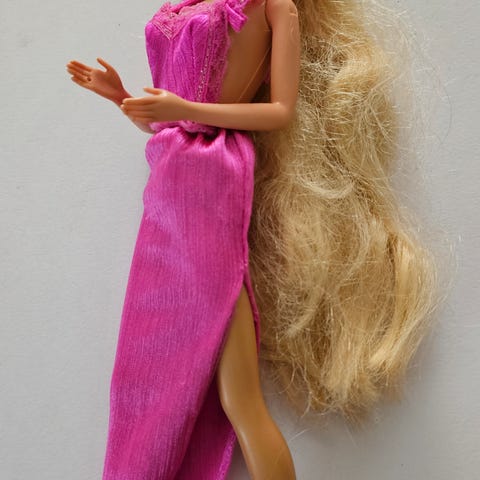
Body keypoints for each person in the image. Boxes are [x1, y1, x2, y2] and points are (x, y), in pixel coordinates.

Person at [66, 0, 438, 478]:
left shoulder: (275, 7)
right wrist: (121, 97)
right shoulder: (188, 6)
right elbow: (163, 120)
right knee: (153, 369)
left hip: (212, 179)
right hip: (167, 192)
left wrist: (183, 108)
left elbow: (280, 111)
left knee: (238, 397)